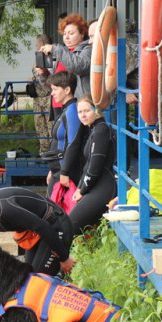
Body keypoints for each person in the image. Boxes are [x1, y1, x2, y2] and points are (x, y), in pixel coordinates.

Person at [69, 95, 117, 236]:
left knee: (69, 226)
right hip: (96, 185)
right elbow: (88, 165)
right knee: (69, 226)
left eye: (87, 111)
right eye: (79, 112)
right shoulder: (94, 129)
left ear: (96, 110)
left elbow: (94, 167)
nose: (83, 115)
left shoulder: (101, 130)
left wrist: (82, 190)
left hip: (103, 186)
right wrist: (80, 188)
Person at [44, 71, 85, 198]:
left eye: (55, 89)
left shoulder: (72, 111)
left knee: (55, 213)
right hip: (59, 170)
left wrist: (64, 172)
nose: (52, 93)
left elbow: (73, 143)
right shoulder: (67, 110)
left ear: (67, 90)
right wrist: (53, 170)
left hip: (66, 173)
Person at [38, 13, 92, 105]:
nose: (66, 37)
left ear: (82, 33)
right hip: (58, 104)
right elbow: (50, 86)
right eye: (64, 34)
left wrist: (55, 49)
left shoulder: (88, 49)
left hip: (80, 104)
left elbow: (78, 66)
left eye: (71, 33)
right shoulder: (61, 52)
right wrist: (44, 74)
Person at [31, 34, 53, 154]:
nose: (38, 47)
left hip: (49, 97)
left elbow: (51, 77)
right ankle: (44, 152)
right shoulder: (38, 58)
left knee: (51, 126)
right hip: (38, 97)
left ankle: (52, 152)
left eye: (39, 44)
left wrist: (43, 74)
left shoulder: (52, 59)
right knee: (40, 126)